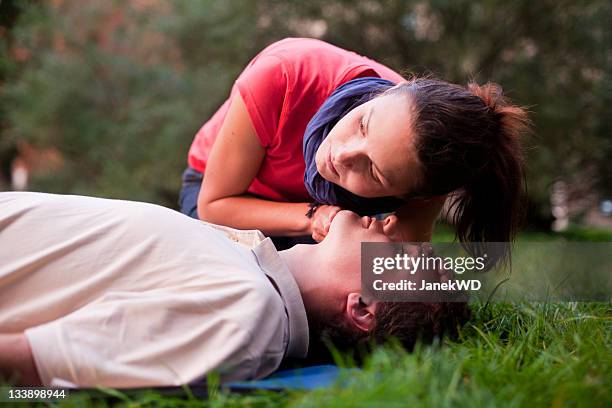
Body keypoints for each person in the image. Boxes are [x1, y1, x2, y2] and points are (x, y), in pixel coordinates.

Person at [0, 192, 468, 388]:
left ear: (363, 306)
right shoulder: (248, 274)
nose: (390, 224)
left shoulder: (247, 311)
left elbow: (36, 366)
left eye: (399, 253)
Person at [180, 37, 529, 257]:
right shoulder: (285, 74)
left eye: (373, 171)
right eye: (363, 124)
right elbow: (213, 206)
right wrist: (314, 217)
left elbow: (401, 263)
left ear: (412, 195)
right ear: (387, 92)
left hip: (335, 219)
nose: (341, 154)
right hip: (223, 194)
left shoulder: (424, 167)